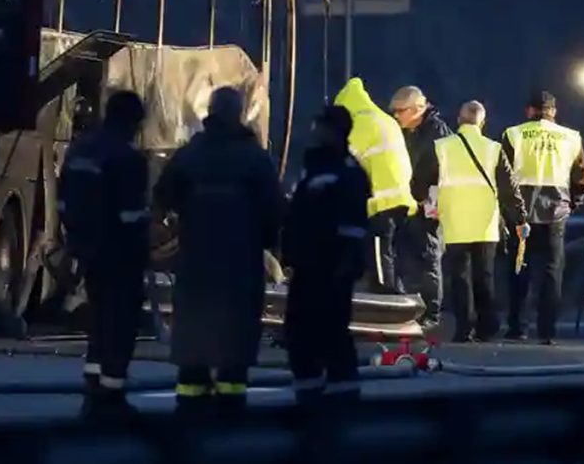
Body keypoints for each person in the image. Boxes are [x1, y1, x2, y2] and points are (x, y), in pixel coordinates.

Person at [153, 87, 284, 415]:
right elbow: (275, 213)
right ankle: (231, 406)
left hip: (196, 264)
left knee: (194, 336)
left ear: (211, 112)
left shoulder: (190, 154)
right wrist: (268, 244)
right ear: (239, 114)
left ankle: (190, 406)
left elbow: (161, 198)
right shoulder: (256, 158)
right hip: (240, 266)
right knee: (235, 339)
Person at [57, 90, 150, 419]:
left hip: (86, 248)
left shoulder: (80, 149)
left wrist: (75, 239)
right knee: (121, 323)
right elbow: (131, 217)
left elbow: (63, 198)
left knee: (98, 321)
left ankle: (93, 386)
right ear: (132, 122)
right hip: (120, 254)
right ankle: (111, 394)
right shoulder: (129, 159)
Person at [414, 101, 528, 342]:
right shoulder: (494, 149)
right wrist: (519, 219)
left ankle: (464, 328)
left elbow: (419, 182)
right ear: (482, 122)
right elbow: (509, 189)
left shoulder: (441, 147)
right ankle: (487, 326)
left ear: (459, 120)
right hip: (485, 223)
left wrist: (427, 202)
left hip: (454, 221)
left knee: (459, 278)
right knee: (484, 276)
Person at [284, 105, 370, 403]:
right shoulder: (315, 167)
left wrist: (346, 263)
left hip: (330, 267)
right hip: (307, 265)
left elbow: (352, 225)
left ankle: (340, 399)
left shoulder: (345, 171)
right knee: (300, 333)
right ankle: (309, 394)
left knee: (331, 332)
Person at [503, 90, 584, 344]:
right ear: (554, 111)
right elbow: (582, 178)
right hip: (556, 212)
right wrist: (572, 204)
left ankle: (517, 327)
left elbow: (503, 175)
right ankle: (547, 331)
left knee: (519, 268)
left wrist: (508, 209)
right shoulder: (571, 137)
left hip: (521, 214)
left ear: (529, 110)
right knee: (552, 272)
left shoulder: (514, 134)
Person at [334, 78, 417, 294]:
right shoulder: (384, 120)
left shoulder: (362, 122)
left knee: (379, 253)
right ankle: (395, 291)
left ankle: (385, 298)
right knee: (390, 253)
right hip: (400, 198)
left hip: (383, 200)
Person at [390, 86, 451, 330]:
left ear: (417, 109)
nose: (395, 116)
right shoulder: (408, 132)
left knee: (428, 258)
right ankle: (413, 310)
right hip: (409, 203)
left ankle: (430, 313)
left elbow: (440, 171)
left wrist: (429, 200)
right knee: (408, 259)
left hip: (427, 203)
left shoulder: (437, 132)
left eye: (400, 111)